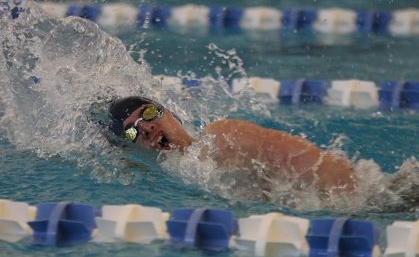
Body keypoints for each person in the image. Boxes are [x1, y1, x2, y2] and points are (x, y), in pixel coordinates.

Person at [103, 96, 357, 202]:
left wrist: (359, 203)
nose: (146, 127)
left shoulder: (222, 136)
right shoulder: (176, 173)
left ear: (170, 113)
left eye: (149, 113)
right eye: (133, 131)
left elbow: (319, 167)